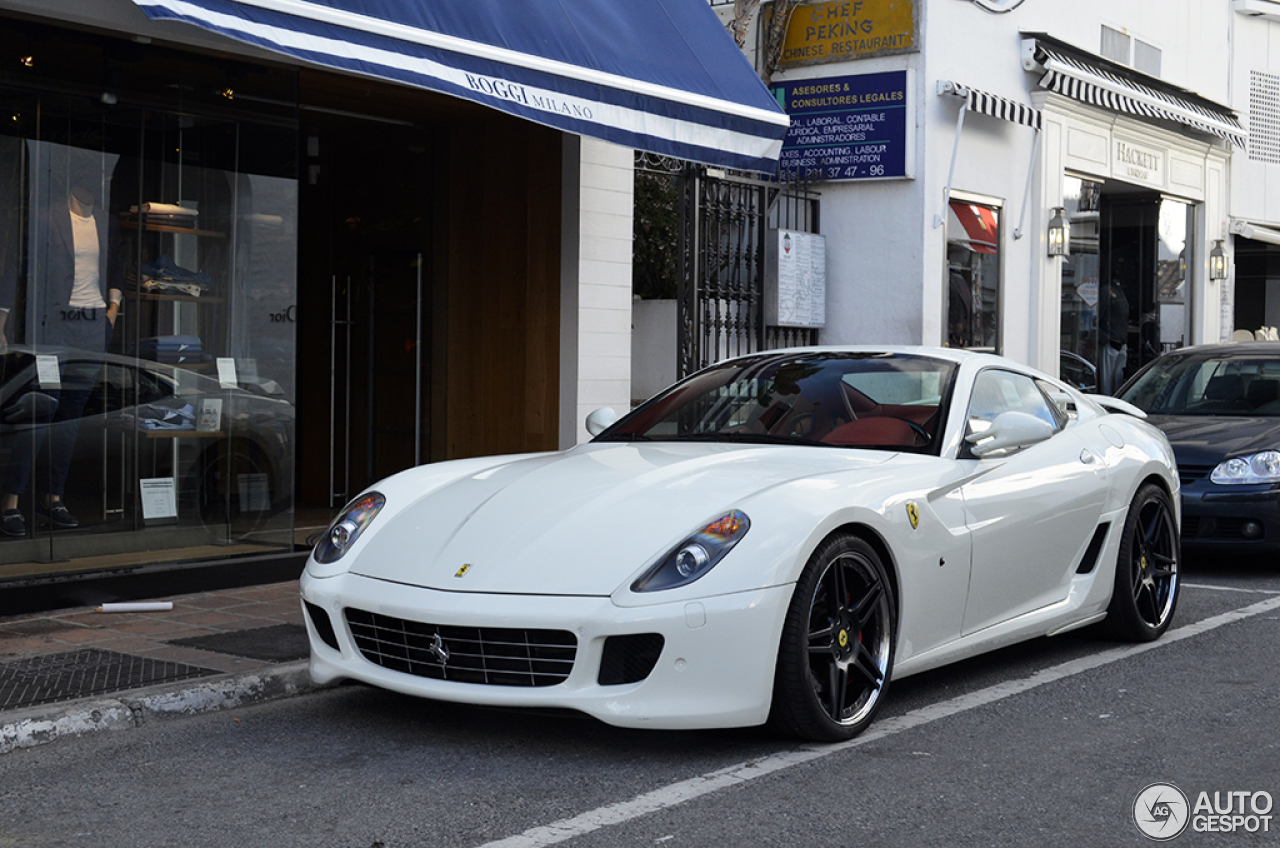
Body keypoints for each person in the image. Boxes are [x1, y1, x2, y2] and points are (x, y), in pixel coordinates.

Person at [0, 186, 121, 536]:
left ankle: (53, 498)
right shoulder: (46, 218)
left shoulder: (106, 221)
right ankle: (10, 502)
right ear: (71, 187)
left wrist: (111, 311)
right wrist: (3, 321)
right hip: (55, 328)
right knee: (41, 410)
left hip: (92, 328)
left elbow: (116, 265)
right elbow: (15, 267)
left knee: (70, 418)